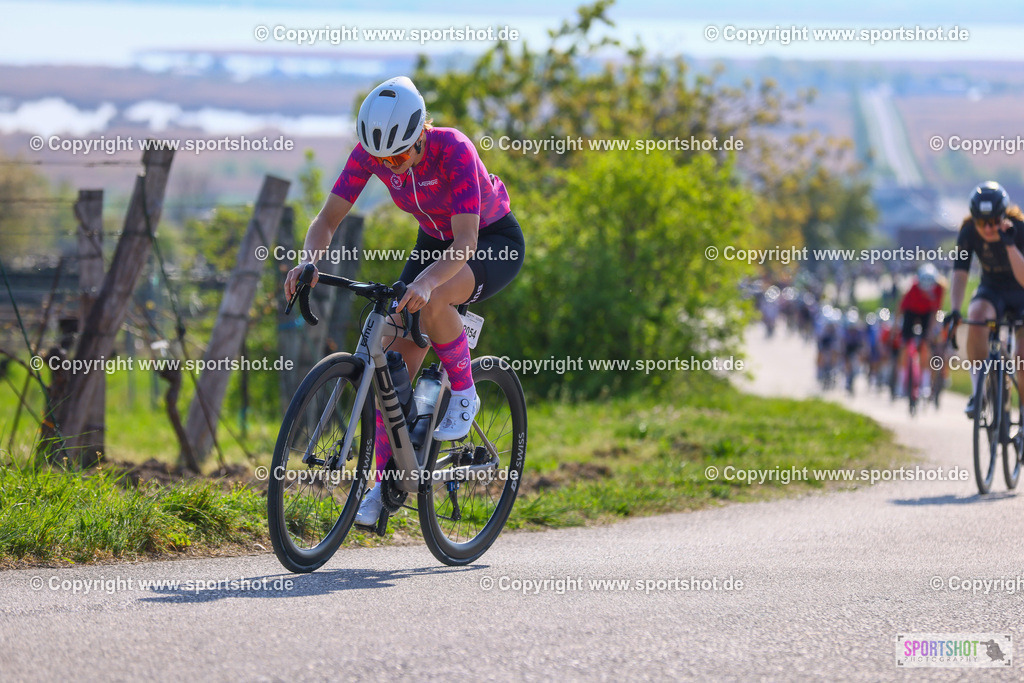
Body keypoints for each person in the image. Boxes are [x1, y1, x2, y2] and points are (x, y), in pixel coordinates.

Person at [284, 76, 526, 525]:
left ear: (419, 135)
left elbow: (467, 240)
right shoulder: (372, 154)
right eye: (381, 159)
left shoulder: (453, 148)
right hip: (434, 241)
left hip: (489, 242)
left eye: (398, 155)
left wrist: (429, 284)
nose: (391, 166)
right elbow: (327, 219)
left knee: (432, 303)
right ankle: (384, 484)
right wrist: (307, 262)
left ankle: (465, 393)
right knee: (390, 369)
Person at [948, 181, 1024, 417]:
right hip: (992, 290)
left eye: (993, 222)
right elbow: (960, 272)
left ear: (1003, 216)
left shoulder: (1019, 229)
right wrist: (954, 309)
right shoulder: (968, 232)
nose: (988, 228)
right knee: (977, 315)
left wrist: (1010, 245)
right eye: (982, 223)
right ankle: (978, 392)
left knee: (1022, 357)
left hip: (1021, 292)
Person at [896, 263, 943, 398]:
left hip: (927, 314)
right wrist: (895, 328)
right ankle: (901, 384)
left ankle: (925, 384)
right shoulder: (912, 288)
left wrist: (930, 331)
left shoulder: (939, 288)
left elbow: (935, 311)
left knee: (925, 345)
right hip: (911, 312)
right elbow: (901, 309)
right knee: (905, 345)